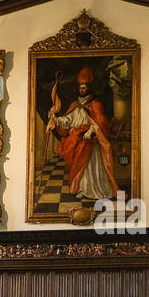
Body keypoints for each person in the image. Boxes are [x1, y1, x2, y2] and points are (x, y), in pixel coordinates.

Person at [46, 66, 118, 200]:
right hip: (77, 140)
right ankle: (83, 189)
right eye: (80, 88)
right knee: (79, 167)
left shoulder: (95, 104)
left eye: (84, 88)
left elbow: (101, 122)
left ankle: (96, 190)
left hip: (91, 141)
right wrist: (55, 119)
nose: (82, 90)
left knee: (91, 167)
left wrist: (91, 131)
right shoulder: (75, 105)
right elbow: (68, 121)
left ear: (89, 88)